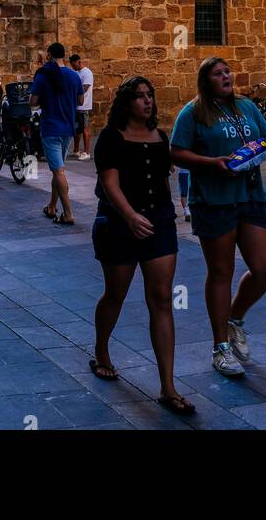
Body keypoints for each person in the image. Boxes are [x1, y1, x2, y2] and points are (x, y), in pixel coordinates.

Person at [171, 56, 266, 378]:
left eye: (227, 71)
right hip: (214, 200)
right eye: (218, 74)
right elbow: (176, 152)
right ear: (206, 81)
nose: (226, 76)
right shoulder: (193, 113)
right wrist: (211, 162)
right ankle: (220, 347)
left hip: (251, 196)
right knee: (221, 271)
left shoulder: (246, 106)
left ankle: (235, 317)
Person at [90, 75, 195, 415]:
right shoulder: (110, 138)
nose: (147, 101)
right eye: (139, 96)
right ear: (126, 102)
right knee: (116, 294)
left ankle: (167, 386)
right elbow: (110, 184)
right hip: (119, 225)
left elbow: (167, 176)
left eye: (150, 95)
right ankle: (102, 349)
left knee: (162, 299)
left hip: (159, 223)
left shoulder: (160, 136)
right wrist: (130, 216)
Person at [29, 41, 82, 226]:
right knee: (57, 169)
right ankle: (52, 206)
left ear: (49, 55)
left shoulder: (44, 76)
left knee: (58, 171)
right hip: (68, 128)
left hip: (51, 128)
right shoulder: (74, 76)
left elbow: (33, 102)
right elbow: (80, 99)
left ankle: (68, 213)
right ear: (65, 56)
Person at [70, 53, 94, 159]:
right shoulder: (77, 72)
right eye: (72, 66)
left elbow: (85, 88)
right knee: (77, 128)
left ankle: (87, 152)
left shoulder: (87, 73)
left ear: (79, 62)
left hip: (84, 105)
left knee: (85, 128)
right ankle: (76, 150)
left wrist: (72, 95)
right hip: (76, 105)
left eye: (74, 65)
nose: (73, 68)